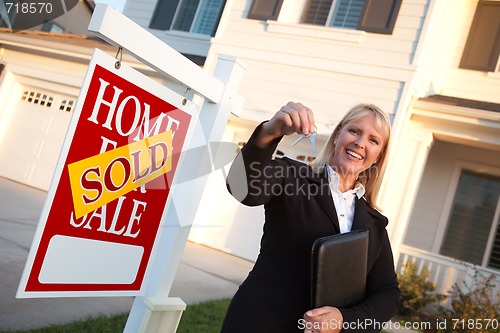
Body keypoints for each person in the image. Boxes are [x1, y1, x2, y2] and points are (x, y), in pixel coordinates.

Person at [222, 101, 400, 333]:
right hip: (260, 324)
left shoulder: (374, 225)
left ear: (377, 157)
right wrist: (270, 131)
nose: (360, 142)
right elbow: (241, 187)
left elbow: (388, 294)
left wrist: (344, 320)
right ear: (337, 135)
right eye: (354, 131)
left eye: (373, 140)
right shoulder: (293, 176)